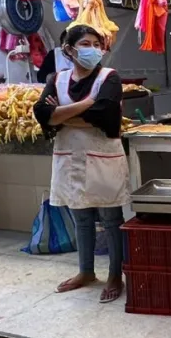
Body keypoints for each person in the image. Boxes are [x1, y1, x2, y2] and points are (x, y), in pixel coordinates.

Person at [33, 24, 129, 303]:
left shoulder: (110, 78)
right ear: (69, 50)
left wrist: (61, 115)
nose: (93, 50)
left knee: (111, 220)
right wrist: (87, 104)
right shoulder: (57, 78)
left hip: (103, 158)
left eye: (97, 45)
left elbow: (106, 115)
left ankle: (115, 275)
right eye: (86, 44)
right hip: (70, 157)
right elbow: (42, 113)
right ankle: (86, 271)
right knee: (81, 218)